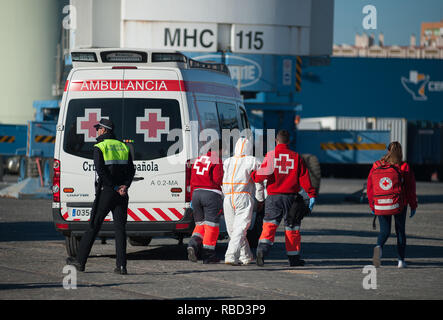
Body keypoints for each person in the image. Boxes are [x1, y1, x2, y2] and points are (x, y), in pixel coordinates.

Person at [67, 118, 135, 274]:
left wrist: (115, 186)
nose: (96, 131)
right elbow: (131, 170)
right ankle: (122, 266)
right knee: (120, 229)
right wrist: (125, 186)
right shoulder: (123, 146)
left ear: (104, 130)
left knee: (93, 225)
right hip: (122, 194)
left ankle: (80, 262)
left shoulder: (99, 147)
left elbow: (101, 171)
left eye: (98, 128)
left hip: (107, 191)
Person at [251, 130, 317, 267]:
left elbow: (260, 176)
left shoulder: (270, 155)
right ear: (289, 141)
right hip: (292, 199)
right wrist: (311, 195)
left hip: (273, 198)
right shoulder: (296, 157)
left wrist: (253, 175)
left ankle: (262, 251)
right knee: (292, 228)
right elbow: (305, 178)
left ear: (276, 141)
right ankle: (294, 259)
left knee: (269, 226)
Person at [367, 141, 417, 268]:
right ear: (400, 152)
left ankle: (378, 247)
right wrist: (413, 205)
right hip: (400, 204)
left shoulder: (377, 165)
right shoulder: (404, 166)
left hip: (380, 203)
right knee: (400, 231)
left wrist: (372, 205)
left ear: (387, 150)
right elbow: (411, 189)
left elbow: (370, 187)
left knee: (384, 231)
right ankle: (401, 261)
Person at [222, 137, 265, 266]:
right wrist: (260, 198)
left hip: (232, 197)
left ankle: (230, 255)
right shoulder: (253, 161)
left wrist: (259, 197)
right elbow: (259, 180)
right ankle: (246, 256)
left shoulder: (227, 161)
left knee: (237, 230)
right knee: (235, 230)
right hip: (239, 197)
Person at [187, 140, 224, 264]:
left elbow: (192, 180)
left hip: (196, 194)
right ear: (219, 150)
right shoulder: (216, 160)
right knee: (211, 226)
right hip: (211, 195)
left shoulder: (198, 159)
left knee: (200, 224)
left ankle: (193, 244)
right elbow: (218, 179)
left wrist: (192, 198)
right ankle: (208, 255)